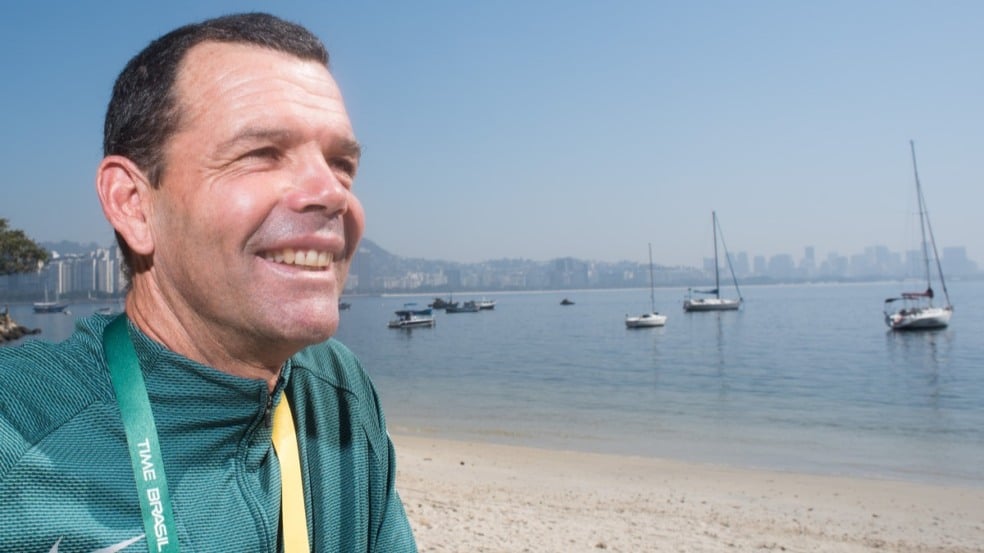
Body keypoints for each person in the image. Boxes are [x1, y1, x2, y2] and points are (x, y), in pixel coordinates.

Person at [0, 13, 417, 552]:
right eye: (262, 154)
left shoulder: (340, 392)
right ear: (134, 205)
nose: (333, 193)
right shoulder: (18, 432)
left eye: (341, 163)